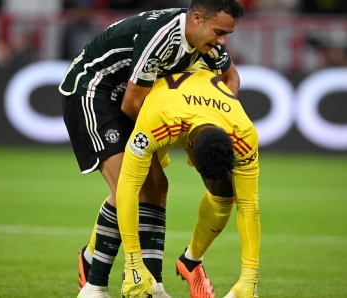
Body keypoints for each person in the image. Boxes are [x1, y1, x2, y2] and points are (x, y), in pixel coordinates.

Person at [59, 1, 244, 297]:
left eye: (227, 34)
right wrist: (163, 135)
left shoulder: (208, 41)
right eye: (219, 32)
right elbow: (131, 104)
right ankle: (94, 286)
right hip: (94, 91)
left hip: (134, 96)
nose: (222, 41)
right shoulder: (161, 37)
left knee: (156, 185)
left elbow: (231, 77)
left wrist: (217, 119)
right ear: (196, 18)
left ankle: (152, 285)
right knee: (127, 185)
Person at [117, 61, 260, 298]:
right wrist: (133, 262)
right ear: (189, 148)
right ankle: (91, 258)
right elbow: (126, 187)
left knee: (226, 196)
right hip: (160, 104)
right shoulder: (157, 119)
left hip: (203, 110)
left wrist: (250, 279)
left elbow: (249, 205)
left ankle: (191, 260)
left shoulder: (243, 133)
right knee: (143, 186)